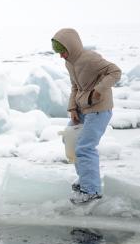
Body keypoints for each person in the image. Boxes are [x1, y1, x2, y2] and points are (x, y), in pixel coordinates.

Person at [51, 28, 121, 204]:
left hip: (99, 110)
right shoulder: (69, 63)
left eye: (62, 51)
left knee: (85, 148)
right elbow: (75, 86)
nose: (61, 56)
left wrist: (99, 89)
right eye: (58, 53)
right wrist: (72, 108)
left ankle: (91, 191)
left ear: (71, 46)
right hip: (82, 108)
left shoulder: (90, 58)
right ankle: (85, 179)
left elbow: (115, 72)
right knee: (71, 141)